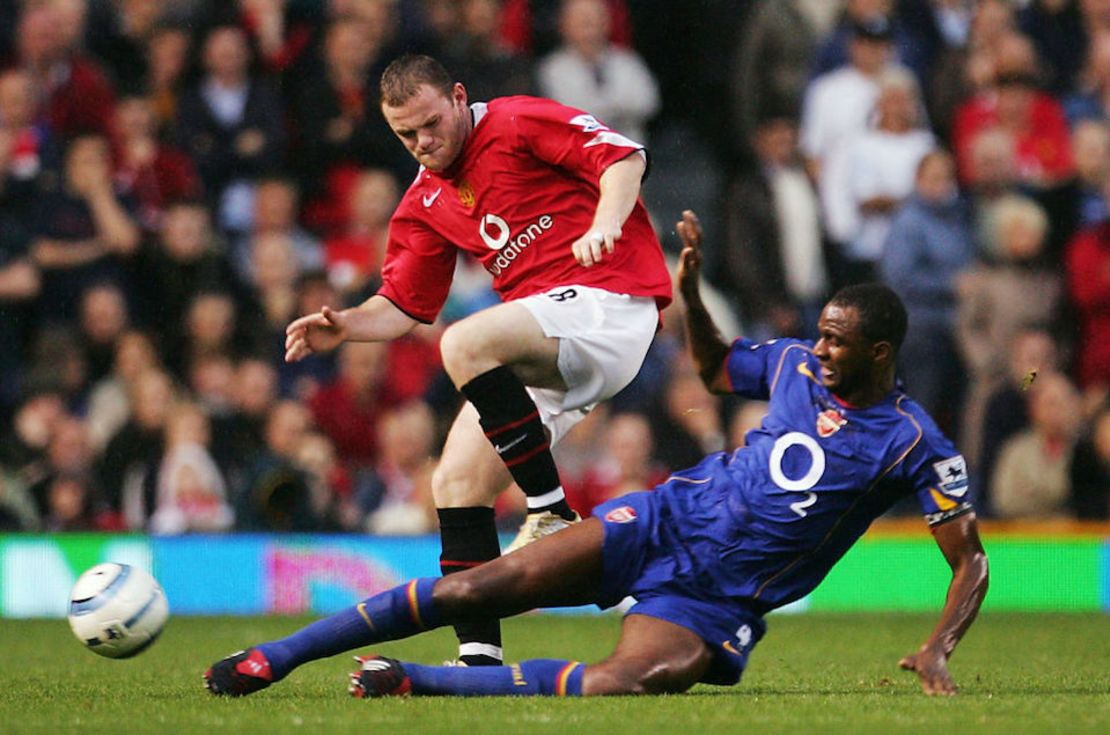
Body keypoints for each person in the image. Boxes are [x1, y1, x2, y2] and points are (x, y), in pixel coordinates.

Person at [205, 210, 988, 699]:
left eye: (836, 341)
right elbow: (717, 369)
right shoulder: (790, 363)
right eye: (818, 331)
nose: (818, 348)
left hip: (717, 597)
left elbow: (971, 561)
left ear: (879, 353)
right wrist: (693, 293)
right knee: (480, 588)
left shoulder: (915, 441)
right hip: (664, 520)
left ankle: (417, 682)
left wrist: (937, 645)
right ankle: (273, 656)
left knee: (624, 681)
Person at [280, 54, 671, 667]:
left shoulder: (515, 122)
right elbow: (405, 304)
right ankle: (479, 659)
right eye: (405, 135)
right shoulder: (424, 200)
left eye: (431, 124)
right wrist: (348, 326)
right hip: (549, 336)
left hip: (610, 300)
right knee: (455, 482)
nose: (423, 143)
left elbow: (624, 157)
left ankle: (550, 512)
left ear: (459, 96)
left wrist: (604, 222)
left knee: (463, 342)